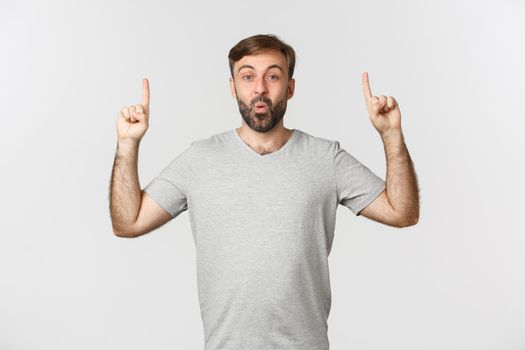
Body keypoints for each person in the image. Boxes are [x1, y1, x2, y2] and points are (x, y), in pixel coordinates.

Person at [109, 33, 419, 350]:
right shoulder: (200, 159)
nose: (259, 88)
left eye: (273, 75)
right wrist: (128, 144)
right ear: (233, 87)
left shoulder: (325, 158)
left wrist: (391, 135)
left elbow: (402, 211)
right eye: (247, 76)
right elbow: (128, 222)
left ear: (290, 87)